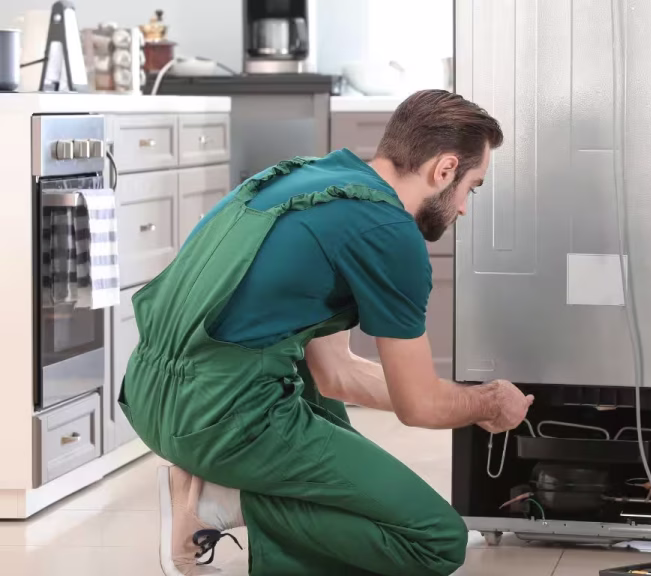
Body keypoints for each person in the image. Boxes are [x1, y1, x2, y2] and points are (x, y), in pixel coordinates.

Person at [118, 89, 534, 576]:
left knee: (326, 412)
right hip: (221, 418)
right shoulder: (389, 233)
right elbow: (419, 406)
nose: (464, 207)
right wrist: (488, 402)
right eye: (472, 186)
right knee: (436, 540)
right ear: (444, 170)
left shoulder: (311, 180)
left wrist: (453, 398)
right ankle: (219, 501)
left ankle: (232, 498)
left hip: (151, 398)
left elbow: (337, 375)